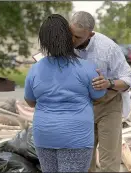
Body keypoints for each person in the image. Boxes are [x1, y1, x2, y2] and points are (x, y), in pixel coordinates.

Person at [24, 14, 106, 172]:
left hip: (44, 135)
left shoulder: (35, 69)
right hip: (77, 137)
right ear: (68, 36)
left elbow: (30, 101)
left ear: (44, 40)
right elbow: (98, 97)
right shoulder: (88, 68)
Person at [69, 11, 131, 172]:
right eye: (71, 34)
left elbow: (129, 79)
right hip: (81, 106)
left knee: (109, 161)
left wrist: (109, 83)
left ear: (90, 34)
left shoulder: (108, 48)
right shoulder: (64, 42)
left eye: (78, 37)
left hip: (108, 105)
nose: (72, 40)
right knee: (83, 161)